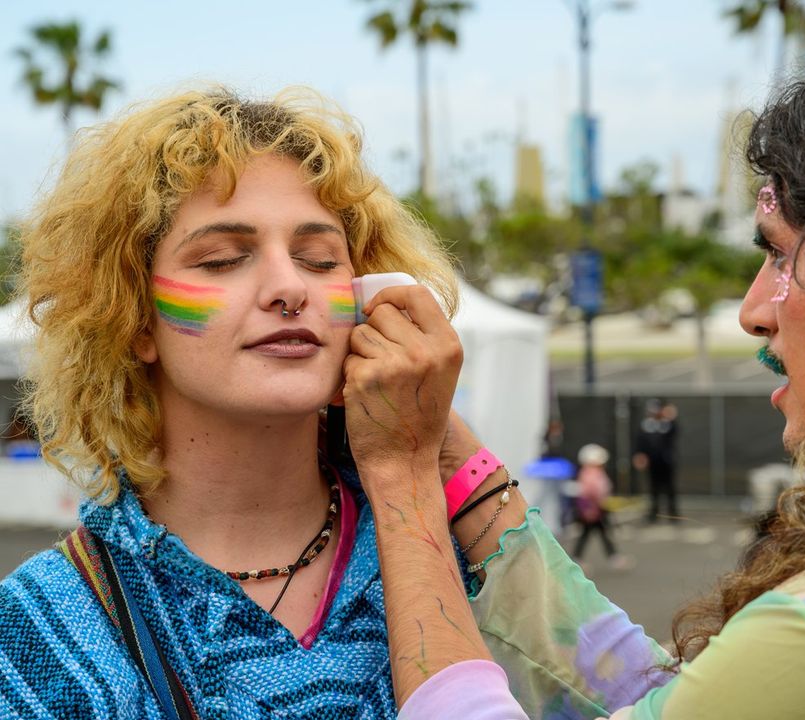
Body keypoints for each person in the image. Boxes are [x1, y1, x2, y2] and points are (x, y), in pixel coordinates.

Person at [341, 12, 805, 720]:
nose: (751, 312)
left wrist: (402, 476)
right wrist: (452, 456)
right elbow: (658, 697)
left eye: (778, 254)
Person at [0, 87, 461, 717]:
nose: (289, 287)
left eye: (319, 259)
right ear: (133, 318)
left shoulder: (459, 552)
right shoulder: (35, 633)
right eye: (222, 260)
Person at [571, 443, 627, 569]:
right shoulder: (590, 474)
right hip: (593, 510)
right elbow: (589, 493)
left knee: (599, 534)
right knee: (593, 534)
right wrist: (589, 509)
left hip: (598, 509)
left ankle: (612, 556)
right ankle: (612, 557)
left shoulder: (591, 473)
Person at [632, 399, 679, 522]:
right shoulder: (646, 425)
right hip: (652, 462)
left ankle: (673, 512)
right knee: (653, 488)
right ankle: (654, 513)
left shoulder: (667, 424)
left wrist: (671, 418)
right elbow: (640, 442)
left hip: (666, 462)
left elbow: (674, 433)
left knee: (669, 488)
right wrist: (639, 455)